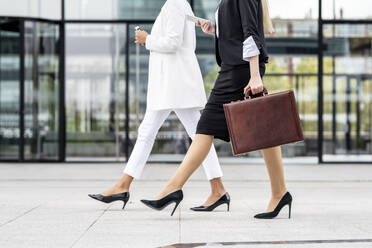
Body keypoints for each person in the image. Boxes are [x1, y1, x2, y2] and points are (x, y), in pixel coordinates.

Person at [141, 0, 293, 219]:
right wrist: (216, 29)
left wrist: (255, 75)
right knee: (262, 129)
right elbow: (238, 30)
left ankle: (173, 188)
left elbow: (250, 33)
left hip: (241, 70)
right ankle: (280, 194)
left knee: (207, 127)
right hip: (236, 67)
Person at [88, 0, 230, 214]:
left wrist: (147, 39)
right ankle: (217, 188)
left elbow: (173, 43)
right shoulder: (180, 3)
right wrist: (200, 22)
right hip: (173, 85)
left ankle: (123, 187)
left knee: (195, 135)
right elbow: (185, 32)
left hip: (172, 85)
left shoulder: (175, 3)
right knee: (187, 134)